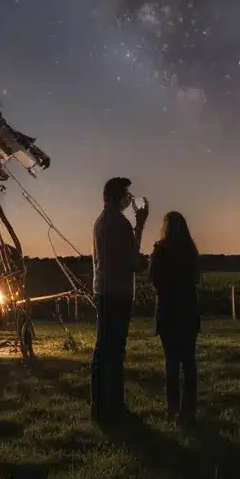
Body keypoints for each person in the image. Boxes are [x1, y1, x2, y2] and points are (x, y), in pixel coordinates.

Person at [90, 176, 149, 422]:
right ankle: (114, 404)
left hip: (103, 289)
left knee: (103, 347)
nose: (129, 199)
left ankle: (100, 402)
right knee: (114, 349)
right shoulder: (120, 223)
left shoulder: (101, 221)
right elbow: (132, 259)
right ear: (119, 197)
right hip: (118, 292)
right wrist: (141, 225)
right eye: (127, 195)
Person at [148, 211, 201, 424]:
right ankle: (189, 409)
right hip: (188, 309)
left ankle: (173, 409)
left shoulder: (159, 250)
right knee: (189, 360)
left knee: (171, 361)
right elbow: (196, 278)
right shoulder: (191, 250)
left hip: (168, 310)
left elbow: (153, 279)